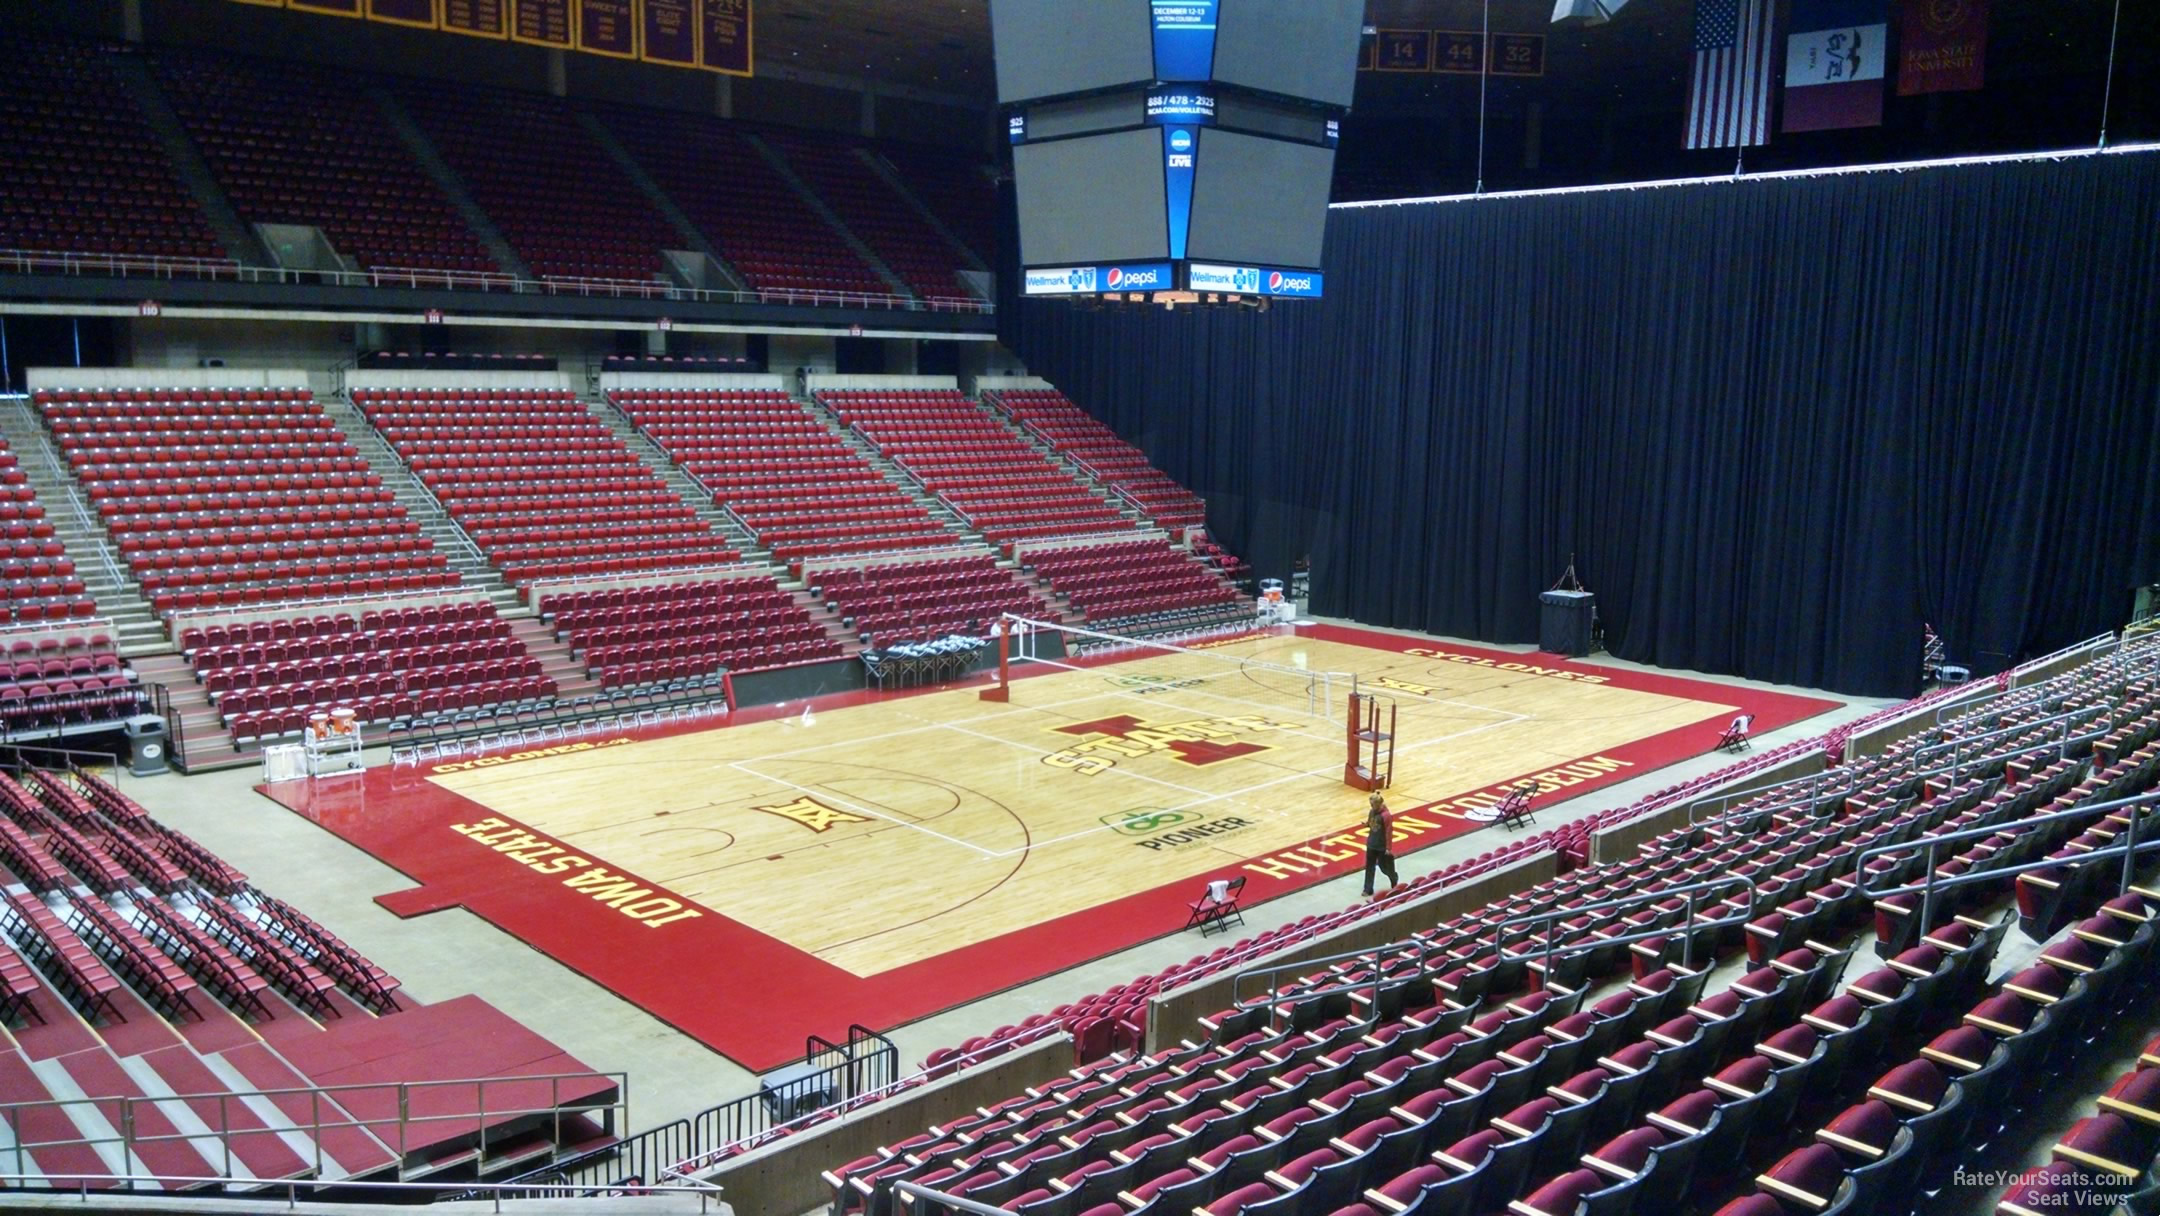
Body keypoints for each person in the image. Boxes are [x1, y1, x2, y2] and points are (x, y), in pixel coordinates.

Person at [1361, 790, 1400, 897]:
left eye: (1372, 804)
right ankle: (1368, 889)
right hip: (1371, 843)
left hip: (1381, 846)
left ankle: (1393, 877)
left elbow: (1388, 831)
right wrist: (1366, 825)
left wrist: (1388, 848)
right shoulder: (1371, 811)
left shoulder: (1386, 816)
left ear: (1378, 804)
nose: (1371, 806)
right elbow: (1370, 823)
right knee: (1369, 867)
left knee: (1384, 867)